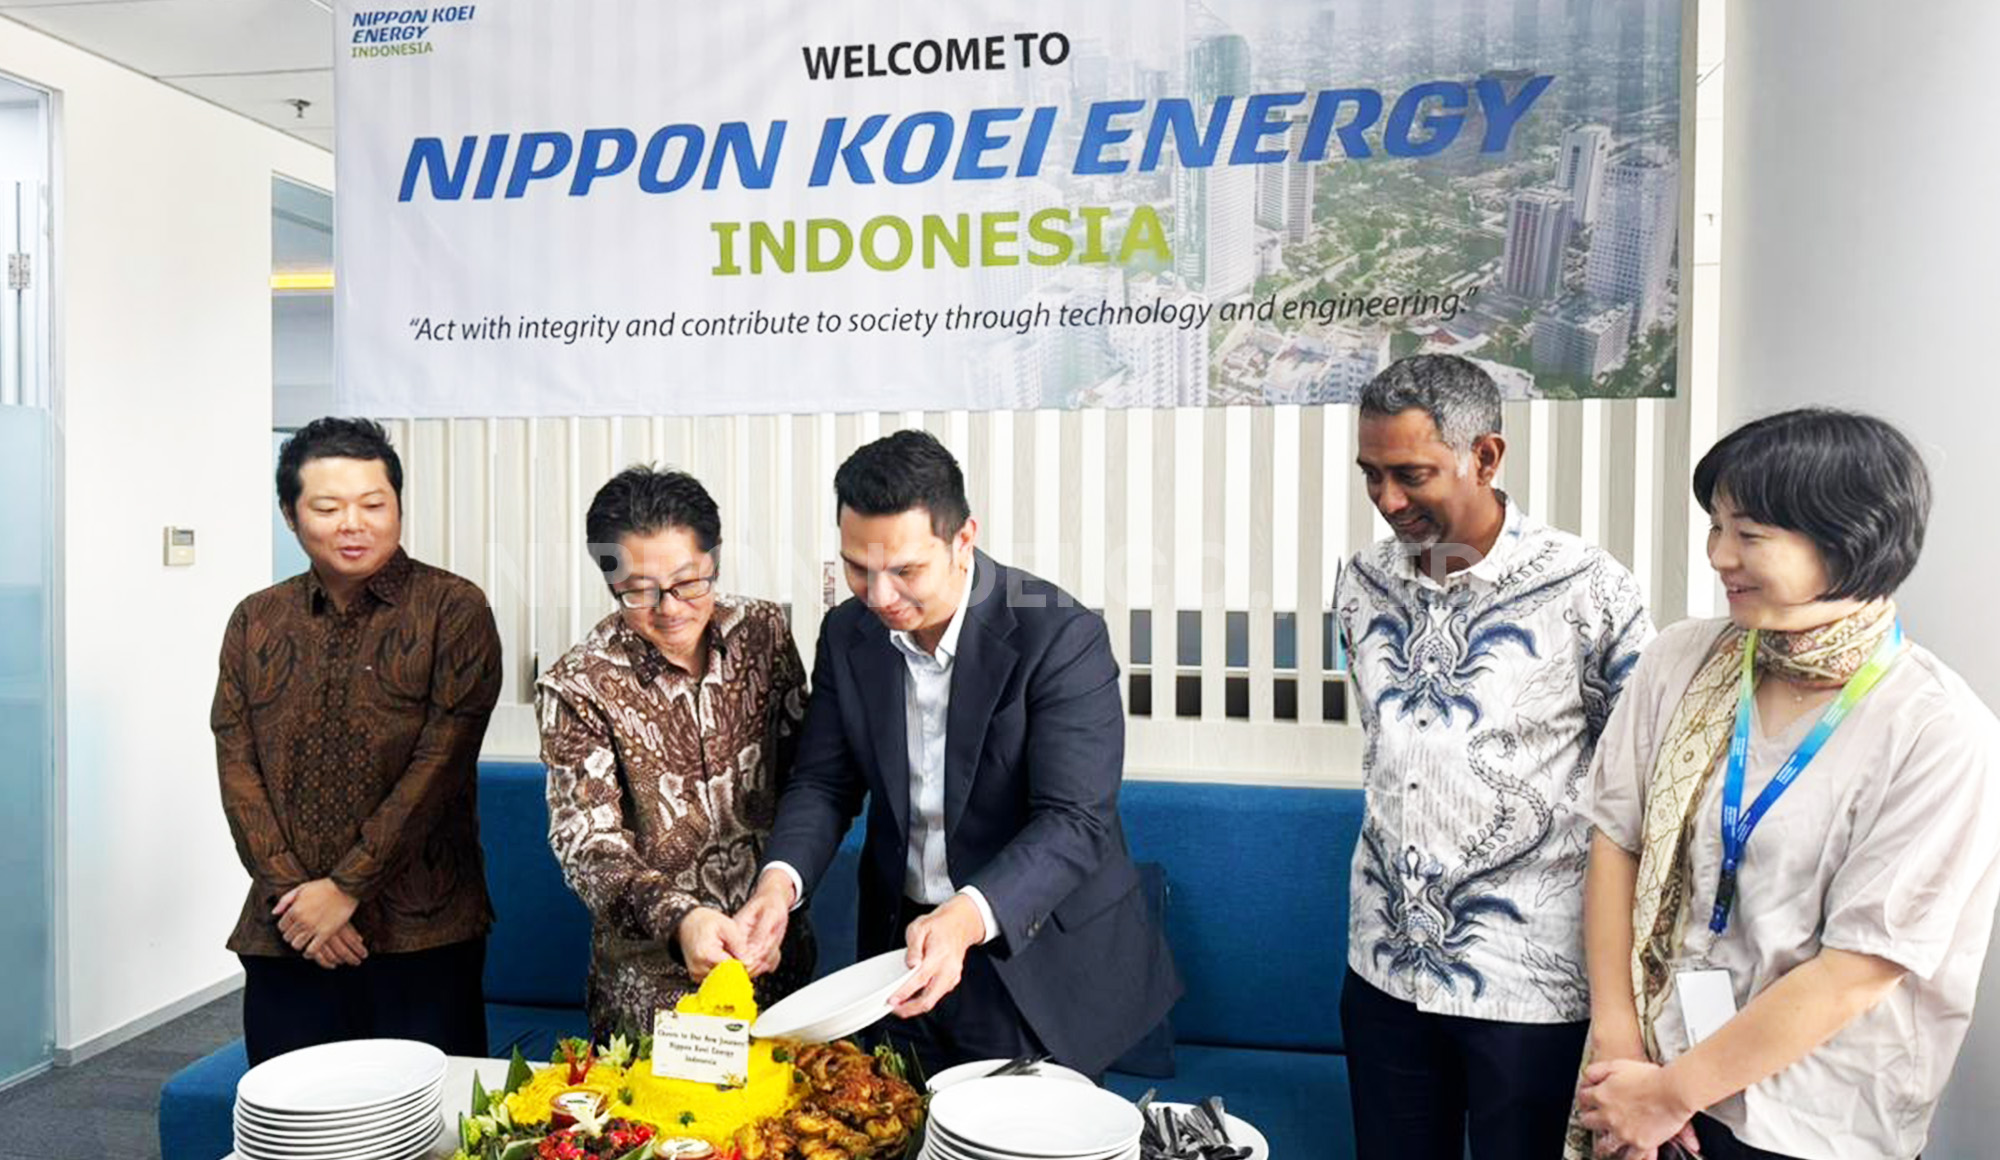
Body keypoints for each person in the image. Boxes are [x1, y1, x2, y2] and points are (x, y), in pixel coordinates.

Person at [1573, 408, 2000, 1160]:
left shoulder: (1937, 731)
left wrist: (1674, 1095)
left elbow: (1856, 970)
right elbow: (1617, 838)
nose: (1719, 556)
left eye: (1749, 535)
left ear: (1847, 540)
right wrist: (1622, 1048)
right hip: (1647, 1075)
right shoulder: (1682, 660)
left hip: (1810, 1120)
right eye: (1716, 527)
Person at [731, 429, 1180, 1077]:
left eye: (906, 571)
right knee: (897, 1118)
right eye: (857, 568)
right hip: (898, 949)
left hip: (1030, 953)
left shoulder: (1060, 633)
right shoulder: (848, 632)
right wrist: (779, 885)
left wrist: (966, 918)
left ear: (963, 539)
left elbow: (1074, 820)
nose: (879, 596)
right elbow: (824, 783)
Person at [1332, 355, 1655, 1160]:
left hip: (1530, 981)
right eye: (1372, 474)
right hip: (1384, 964)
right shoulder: (1361, 580)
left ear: (1485, 456)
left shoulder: (1588, 588)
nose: (1388, 500)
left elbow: (1639, 788)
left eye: (1411, 475)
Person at [213, 417, 502, 1066]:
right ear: (290, 515)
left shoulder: (453, 609)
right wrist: (296, 898)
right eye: (327, 508)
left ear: (397, 505)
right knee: (291, 1110)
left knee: (431, 1112)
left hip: (423, 931)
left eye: (373, 504)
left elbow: (440, 766)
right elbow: (237, 763)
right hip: (287, 930)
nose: (354, 524)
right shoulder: (256, 619)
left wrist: (344, 889)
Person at [537, 466, 815, 1039]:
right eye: (640, 591)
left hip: (778, 965)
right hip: (656, 996)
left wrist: (781, 893)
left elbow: (809, 782)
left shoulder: (763, 634)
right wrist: (681, 919)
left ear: (715, 560)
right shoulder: (578, 685)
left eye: (689, 582)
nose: (670, 608)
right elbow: (586, 845)